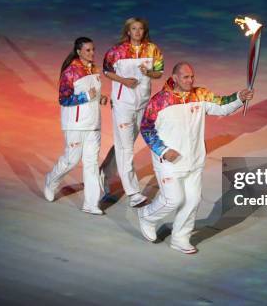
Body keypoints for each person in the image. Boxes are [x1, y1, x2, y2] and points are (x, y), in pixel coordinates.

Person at [137, 62, 254, 254]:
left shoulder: (200, 94)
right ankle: (147, 217)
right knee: (173, 199)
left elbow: (221, 106)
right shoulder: (159, 101)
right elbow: (146, 128)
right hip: (168, 161)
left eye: (192, 77)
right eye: (185, 77)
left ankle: (180, 238)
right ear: (174, 78)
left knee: (192, 200)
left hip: (194, 159)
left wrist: (239, 98)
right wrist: (163, 150)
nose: (190, 81)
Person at [103, 17, 164, 207]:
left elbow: (159, 72)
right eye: (133, 29)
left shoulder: (152, 49)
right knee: (126, 147)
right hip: (123, 104)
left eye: (140, 29)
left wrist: (148, 73)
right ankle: (133, 192)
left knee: (124, 143)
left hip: (142, 103)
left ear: (144, 31)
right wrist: (123, 81)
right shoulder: (117, 50)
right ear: (128, 31)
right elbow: (106, 71)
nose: (137, 32)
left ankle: (104, 172)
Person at [45, 37, 107, 215]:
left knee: (92, 163)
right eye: (88, 50)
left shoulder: (94, 69)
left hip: (94, 124)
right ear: (79, 51)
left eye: (93, 49)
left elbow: (94, 93)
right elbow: (64, 99)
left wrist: (99, 98)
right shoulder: (71, 71)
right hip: (75, 124)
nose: (92, 53)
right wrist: (86, 97)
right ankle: (51, 180)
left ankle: (91, 203)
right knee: (72, 160)